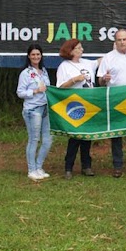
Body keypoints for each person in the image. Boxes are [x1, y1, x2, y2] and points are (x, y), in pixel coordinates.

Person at [97, 29, 126, 178]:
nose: (122, 42)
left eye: (124, 39)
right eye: (119, 40)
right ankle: (117, 166)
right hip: (115, 100)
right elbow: (99, 81)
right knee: (116, 134)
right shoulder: (108, 58)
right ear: (115, 41)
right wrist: (104, 79)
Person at [57, 38, 100, 179]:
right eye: (79, 48)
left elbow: (101, 61)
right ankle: (68, 167)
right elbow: (60, 87)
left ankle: (86, 166)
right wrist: (74, 80)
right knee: (75, 137)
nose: (82, 50)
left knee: (87, 137)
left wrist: (114, 50)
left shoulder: (88, 63)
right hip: (74, 105)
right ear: (71, 50)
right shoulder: (64, 66)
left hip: (89, 104)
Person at [17, 44, 52, 181]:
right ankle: (31, 169)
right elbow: (20, 92)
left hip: (45, 108)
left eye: (38, 54)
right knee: (34, 139)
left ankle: (39, 166)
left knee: (48, 140)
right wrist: (35, 91)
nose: (36, 57)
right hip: (33, 109)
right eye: (33, 55)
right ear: (29, 56)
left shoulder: (43, 71)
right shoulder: (25, 73)